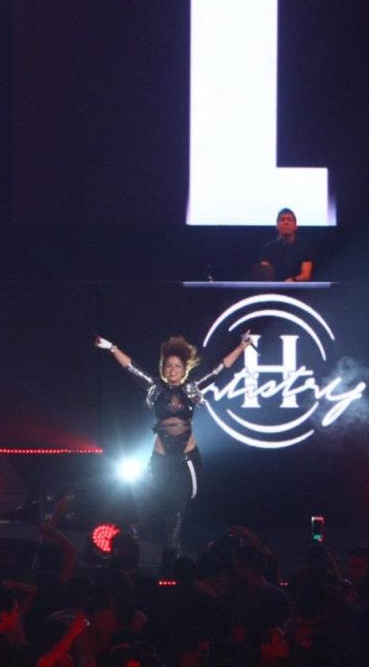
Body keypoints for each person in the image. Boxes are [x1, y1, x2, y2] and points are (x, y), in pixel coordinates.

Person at [94, 330, 258, 557]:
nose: (172, 370)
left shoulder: (192, 389)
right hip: (161, 457)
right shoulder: (155, 388)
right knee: (160, 503)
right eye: (169, 366)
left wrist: (241, 347)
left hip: (186, 457)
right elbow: (131, 368)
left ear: (184, 369)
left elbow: (219, 369)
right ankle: (161, 546)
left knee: (179, 505)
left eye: (177, 366)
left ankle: (171, 551)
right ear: (163, 368)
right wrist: (112, 347)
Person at [257, 208, 316, 282]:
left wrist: (293, 280)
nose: (286, 222)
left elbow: (306, 275)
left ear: (295, 226)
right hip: (274, 287)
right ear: (276, 226)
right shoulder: (268, 248)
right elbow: (264, 274)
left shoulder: (304, 247)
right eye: (282, 220)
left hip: (296, 287)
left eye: (289, 220)